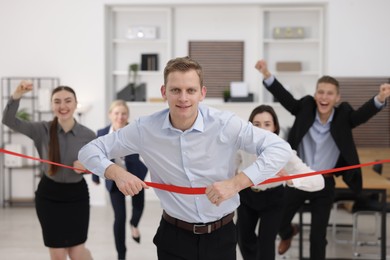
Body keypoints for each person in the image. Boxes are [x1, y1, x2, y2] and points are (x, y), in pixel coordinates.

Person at [79, 56, 292, 260]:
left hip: (222, 236)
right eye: (175, 90)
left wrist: (237, 183)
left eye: (190, 90)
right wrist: (115, 172)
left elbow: (280, 148)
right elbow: (88, 151)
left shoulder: (225, 124)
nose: (183, 98)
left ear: (202, 93)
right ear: (164, 92)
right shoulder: (145, 129)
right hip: (173, 237)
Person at [255, 59, 390, 260]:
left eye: (329, 93)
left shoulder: (344, 116)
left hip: (324, 183)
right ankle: (289, 232)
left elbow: (362, 115)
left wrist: (380, 97)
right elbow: (285, 97)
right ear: (315, 94)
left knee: (318, 237)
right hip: (298, 178)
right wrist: (266, 74)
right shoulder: (305, 108)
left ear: (337, 98)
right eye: (321, 92)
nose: (324, 97)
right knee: (279, 221)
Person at [2, 81, 95, 260]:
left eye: (68, 101)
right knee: (58, 254)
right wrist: (16, 96)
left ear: (76, 104)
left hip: (77, 197)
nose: (63, 106)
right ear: (51, 105)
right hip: (49, 197)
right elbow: (8, 120)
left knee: (77, 253)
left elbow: (101, 166)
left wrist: (88, 168)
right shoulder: (41, 130)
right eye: (57, 101)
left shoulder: (88, 135)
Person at [236, 104, 324, 260]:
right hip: (247, 196)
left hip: (273, 199)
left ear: (275, 127)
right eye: (256, 124)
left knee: (266, 243)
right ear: (250, 126)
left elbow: (319, 181)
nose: (261, 129)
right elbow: (230, 167)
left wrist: (292, 180)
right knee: (244, 240)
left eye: (267, 124)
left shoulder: (284, 150)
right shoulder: (242, 146)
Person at [92, 99, 148, 260]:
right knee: (119, 217)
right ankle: (121, 255)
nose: (120, 116)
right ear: (110, 115)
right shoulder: (102, 133)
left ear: (127, 115)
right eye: (116, 113)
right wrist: (95, 176)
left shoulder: (135, 130)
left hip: (134, 175)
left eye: (123, 113)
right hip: (114, 180)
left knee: (138, 208)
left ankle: (134, 224)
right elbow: (96, 156)